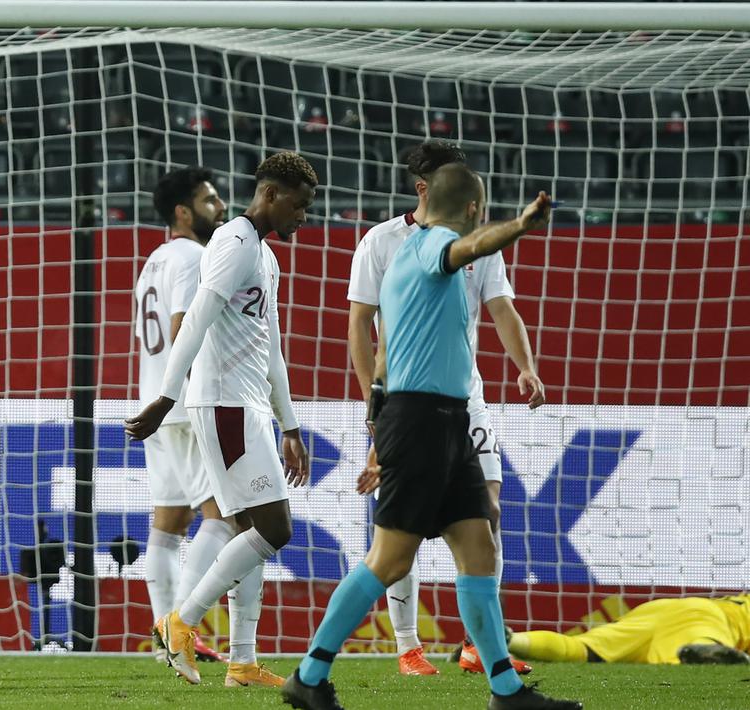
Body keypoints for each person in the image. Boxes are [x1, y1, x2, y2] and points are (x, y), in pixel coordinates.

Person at [281, 164, 579, 710]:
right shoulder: (437, 245)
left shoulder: (401, 264)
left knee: (478, 546)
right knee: (390, 560)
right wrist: (524, 223)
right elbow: (467, 253)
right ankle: (309, 673)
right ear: (472, 210)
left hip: (440, 420)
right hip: (421, 421)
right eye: (482, 213)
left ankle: (505, 691)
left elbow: (386, 355)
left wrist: (378, 426)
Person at [347, 139, 540, 676]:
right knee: (400, 531)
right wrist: (373, 403)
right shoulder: (383, 242)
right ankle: (407, 645)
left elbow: (502, 308)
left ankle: (481, 645)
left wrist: (526, 365)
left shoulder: (480, 244)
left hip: (465, 399)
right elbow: (361, 326)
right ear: (423, 187)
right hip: (407, 400)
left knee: (489, 512)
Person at [126, 151, 317, 688]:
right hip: (223, 404)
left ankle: (241, 661)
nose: (304, 217)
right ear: (271, 195)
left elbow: (272, 347)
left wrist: (292, 425)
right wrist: (166, 397)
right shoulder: (231, 243)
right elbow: (195, 321)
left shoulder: (266, 255)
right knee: (273, 529)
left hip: (251, 403)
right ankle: (181, 623)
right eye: (299, 206)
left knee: (249, 527)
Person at [138, 167, 232, 666]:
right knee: (227, 517)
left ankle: (164, 634)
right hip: (184, 403)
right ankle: (180, 629)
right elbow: (182, 331)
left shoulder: (153, 261)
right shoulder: (196, 256)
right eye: (209, 199)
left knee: (169, 523)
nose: (219, 206)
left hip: (152, 403)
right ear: (183, 212)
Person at [508, 594, 750, 665]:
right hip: (707, 618)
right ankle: (710, 651)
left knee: (582, 650)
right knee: (692, 657)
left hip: (659, 610)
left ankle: (508, 640)